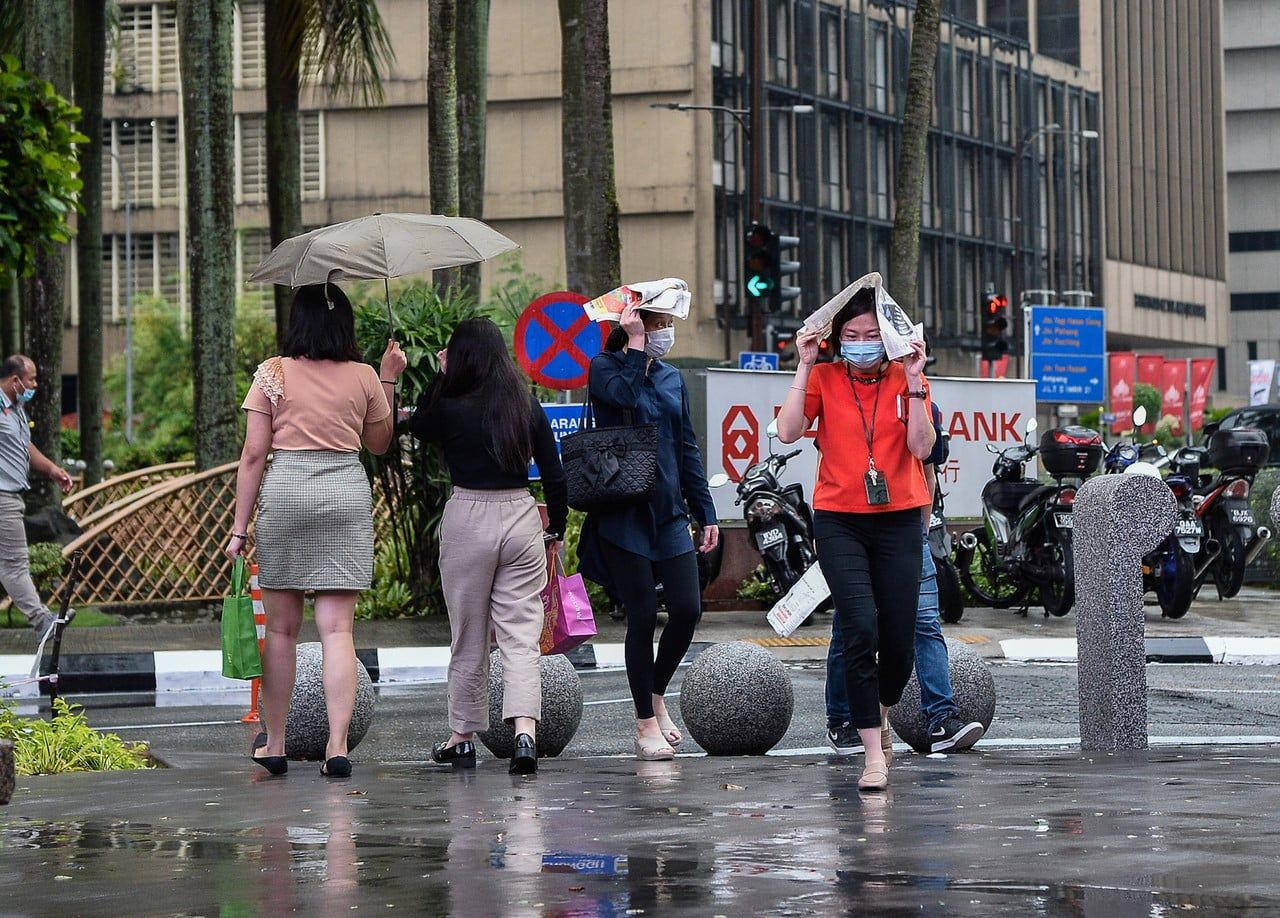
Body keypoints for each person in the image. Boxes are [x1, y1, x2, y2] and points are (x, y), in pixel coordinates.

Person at [226, 283, 406, 779]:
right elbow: (379, 443)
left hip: (287, 493)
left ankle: (275, 743)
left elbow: (253, 456)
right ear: (344, 323)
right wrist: (388, 378)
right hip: (344, 494)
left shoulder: (273, 373)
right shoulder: (364, 375)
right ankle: (337, 747)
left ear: (297, 322)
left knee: (282, 630)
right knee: (338, 630)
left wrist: (239, 529)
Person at [776, 286, 934, 792]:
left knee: (899, 641)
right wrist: (804, 364)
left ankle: (880, 711)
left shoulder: (906, 377)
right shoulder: (824, 377)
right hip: (839, 520)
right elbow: (787, 431)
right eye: (851, 335)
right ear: (836, 338)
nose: (862, 344)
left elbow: (922, 447)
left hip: (900, 518)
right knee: (859, 628)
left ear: (886, 339)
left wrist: (914, 380)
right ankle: (872, 755)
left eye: (871, 335)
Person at [410, 317, 567, 775]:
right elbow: (554, 474)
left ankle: (462, 739)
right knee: (521, 635)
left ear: (461, 358)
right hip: (520, 515)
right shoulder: (525, 404)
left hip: (468, 516)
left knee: (469, 633)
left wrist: (440, 378)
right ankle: (525, 735)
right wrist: (556, 528)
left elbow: (418, 425)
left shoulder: (450, 405)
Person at [577, 305, 719, 761]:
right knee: (641, 615)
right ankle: (644, 724)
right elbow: (623, 397)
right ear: (634, 324)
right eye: (659, 324)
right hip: (623, 513)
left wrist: (706, 511)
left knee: (687, 609)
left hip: (669, 513)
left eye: (669, 325)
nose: (666, 332)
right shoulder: (604, 368)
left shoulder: (672, 378)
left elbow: (687, 446)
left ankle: (656, 696)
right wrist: (635, 345)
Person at [824, 400, 985, 756]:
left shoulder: (923, 404)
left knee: (925, 622)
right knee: (851, 625)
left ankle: (942, 718)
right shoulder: (843, 399)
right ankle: (841, 720)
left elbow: (928, 474)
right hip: (851, 530)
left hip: (904, 530)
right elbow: (826, 466)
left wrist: (920, 533)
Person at [0, 355, 75, 644]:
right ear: (15, 380)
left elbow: (25, 447)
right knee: (14, 565)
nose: (34, 385)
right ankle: (42, 621)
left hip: (12, 496)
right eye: (31, 379)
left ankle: (43, 620)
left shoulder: (17, 409)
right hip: (3, 498)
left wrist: (52, 470)